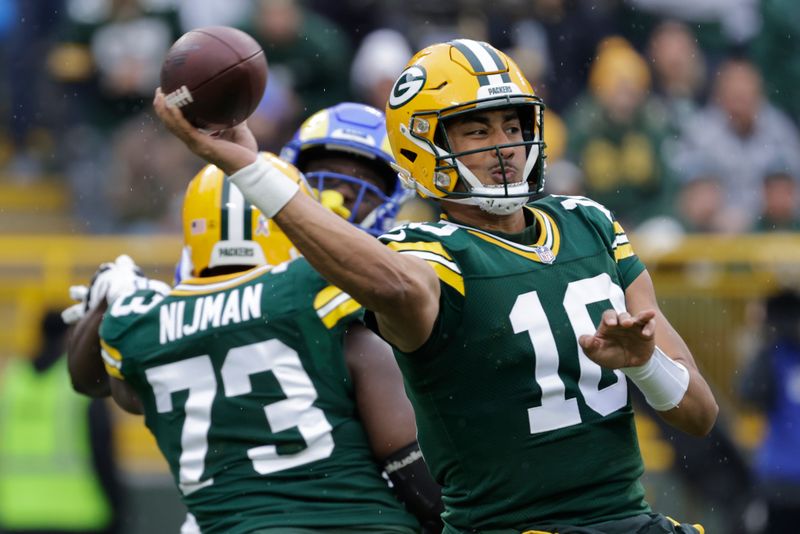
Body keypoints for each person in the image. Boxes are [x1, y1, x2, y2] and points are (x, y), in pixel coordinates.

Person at [154, 38, 719, 533]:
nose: (504, 147)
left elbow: (699, 414)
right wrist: (250, 169)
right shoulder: (427, 252)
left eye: (513, 124)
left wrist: (646, 363)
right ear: (420, 147)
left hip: (631, 520)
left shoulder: (588, 223)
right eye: (477, 129)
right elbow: (396, 285)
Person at [66, 103, 443, 533]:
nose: (339, 202)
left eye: (363, 187)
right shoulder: (322, 290)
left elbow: (100, 381)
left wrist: (108, 303)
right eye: (326, 183)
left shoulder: (154, 320)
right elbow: (414, 470)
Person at [0, 310, 121, 534]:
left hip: (17, 513)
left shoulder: (11, 381)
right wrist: (118, 509)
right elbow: (102, 452)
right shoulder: (81, 381)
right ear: (70, 334)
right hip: (79, 514)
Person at [739, 289, 800, 533]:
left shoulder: (773, 355)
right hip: (782, 478)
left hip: (780, 475)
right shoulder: (775, 356)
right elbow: (749, 392)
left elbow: (749, 391)